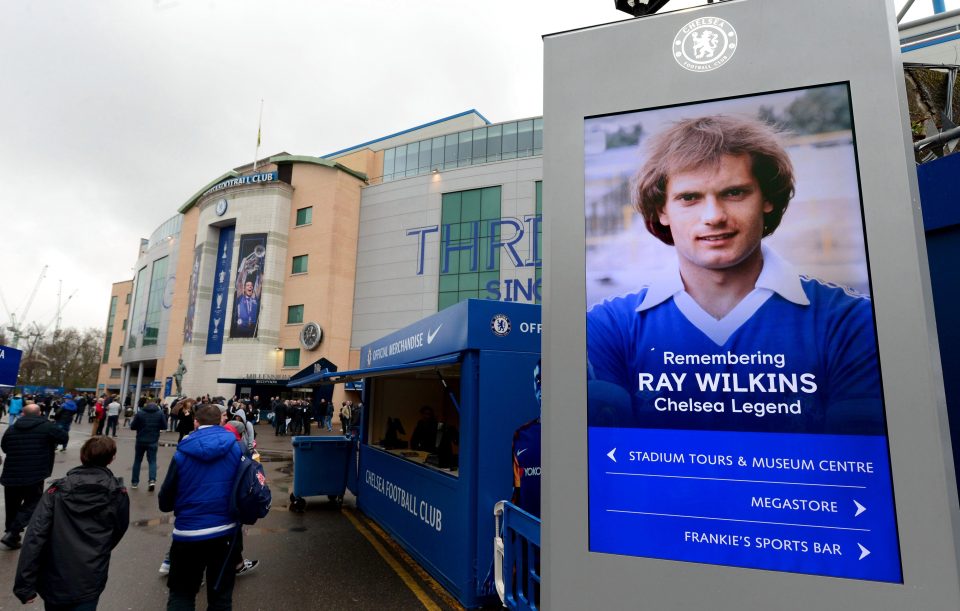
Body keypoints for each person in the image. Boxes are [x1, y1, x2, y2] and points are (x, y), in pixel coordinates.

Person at [586, 115, 883, 434]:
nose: (713, 216)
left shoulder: (852, 322)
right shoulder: (606, 328)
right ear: (662, 211)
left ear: (767, 199)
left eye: (734, 193)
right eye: (689, 198)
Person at [13, 436, 130, 609]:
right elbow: (118, 530)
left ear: (83, 456)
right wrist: (98, 549)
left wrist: (25, 584)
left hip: (56, 574)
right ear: (111, 458)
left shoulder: (57, 490)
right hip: (90, 574)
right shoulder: (118, 493)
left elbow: (35, 535)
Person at [158, 404, 243, 610]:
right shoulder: (236, 448)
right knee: (221, 597)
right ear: (221, 420)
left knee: (182, 594)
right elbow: (245, 486)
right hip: (225, 531)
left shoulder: (182, 453)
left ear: (196, 422)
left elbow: (165, 500)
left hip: (188, 532)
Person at [1, 403, 69, 550]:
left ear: (23, 414)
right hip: (35, 474)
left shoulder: (12, 428)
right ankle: (13, 532)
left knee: (12, 506)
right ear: (39, 413)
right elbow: (64, 438)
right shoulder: (47, 426)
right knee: (33, 503)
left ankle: (11, 534)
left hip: (12, 473)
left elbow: (5, 447)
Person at [130, 401, 167, 491]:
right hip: (153, 440)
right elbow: (165, 426)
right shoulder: (160, 413)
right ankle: (152, 480)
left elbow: (132, 426)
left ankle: (135, 482)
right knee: (152, 461)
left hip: (140, 440)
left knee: (137, 461)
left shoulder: (140, 413)